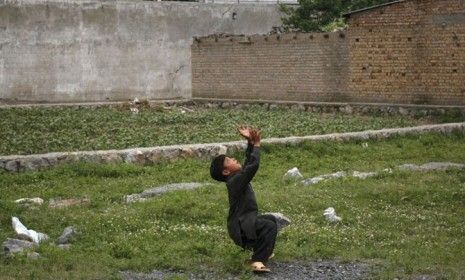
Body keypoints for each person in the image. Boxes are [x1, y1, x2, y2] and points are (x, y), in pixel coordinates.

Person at [210, 127, 277, 273]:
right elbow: (252, 166)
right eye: (230, 160)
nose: (234, 159)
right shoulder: (234, 182)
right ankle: (257, 261)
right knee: (268, 227)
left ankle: (263, 250)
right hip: (241, 228)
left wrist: (250, 143)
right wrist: (257, 146)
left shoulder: (236, 178)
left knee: (271, 219)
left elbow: (247, 164)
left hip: (245, 224)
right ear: (226, 171)